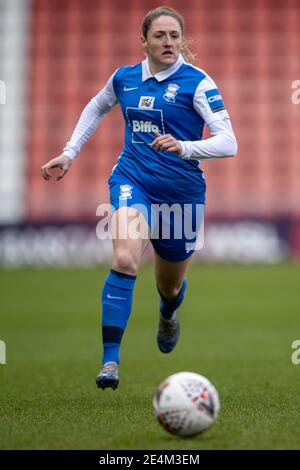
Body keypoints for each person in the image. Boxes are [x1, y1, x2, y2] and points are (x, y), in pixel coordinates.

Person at [41, 6, 237, 390]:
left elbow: (229, 142)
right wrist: (69, 152)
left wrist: (184, 147)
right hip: (133, 181)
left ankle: (168, 313)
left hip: (181, 195)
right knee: (126, 257)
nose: (168, 43)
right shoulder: (124, 78)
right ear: (143, 40)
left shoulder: (197, 83)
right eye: (160, 36)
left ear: (182, 41)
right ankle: (110, 361)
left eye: (174, 36)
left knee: (169, 286)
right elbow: (96, 106)